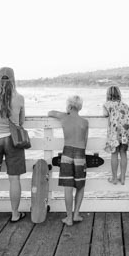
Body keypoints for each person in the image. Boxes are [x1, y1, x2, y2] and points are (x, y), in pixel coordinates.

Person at [0, 67, 26, 224]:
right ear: (13, 79)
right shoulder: (20, 98)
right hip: (13, 141)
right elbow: (21, 122)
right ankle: (15, 214)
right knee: (14, 179)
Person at [48, 95, 89, 226]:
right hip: (80, 154)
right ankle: (76, 214)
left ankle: (69, 217)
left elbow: (50, 113)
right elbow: (85, 142)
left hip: (66, 153)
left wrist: (66, 112)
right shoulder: (85, 122)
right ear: (80, 107)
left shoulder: (64, 117)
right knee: (80, 186)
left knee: (68, 188)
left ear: (69, 106)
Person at [103, 86, 129, 185]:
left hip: (116, 129)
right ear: (119, 94)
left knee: (114, 153)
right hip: (127, 129)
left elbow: (105, 114)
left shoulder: (107, 104)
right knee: (123, 152)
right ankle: (122, 178)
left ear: (108, 95)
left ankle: (114, 178)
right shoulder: (125, 105)